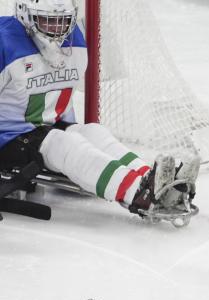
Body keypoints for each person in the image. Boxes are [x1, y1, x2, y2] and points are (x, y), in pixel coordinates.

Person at [0, 0, 198, 223]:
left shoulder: (75, 40)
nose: (58, 30)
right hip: (7, 139)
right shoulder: (3, 40)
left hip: (42, 128)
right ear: (25, 16)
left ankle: (153, 180)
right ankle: (138, 193)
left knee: (93, 132)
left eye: (63, 21)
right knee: (61, 143)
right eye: (48, 20)